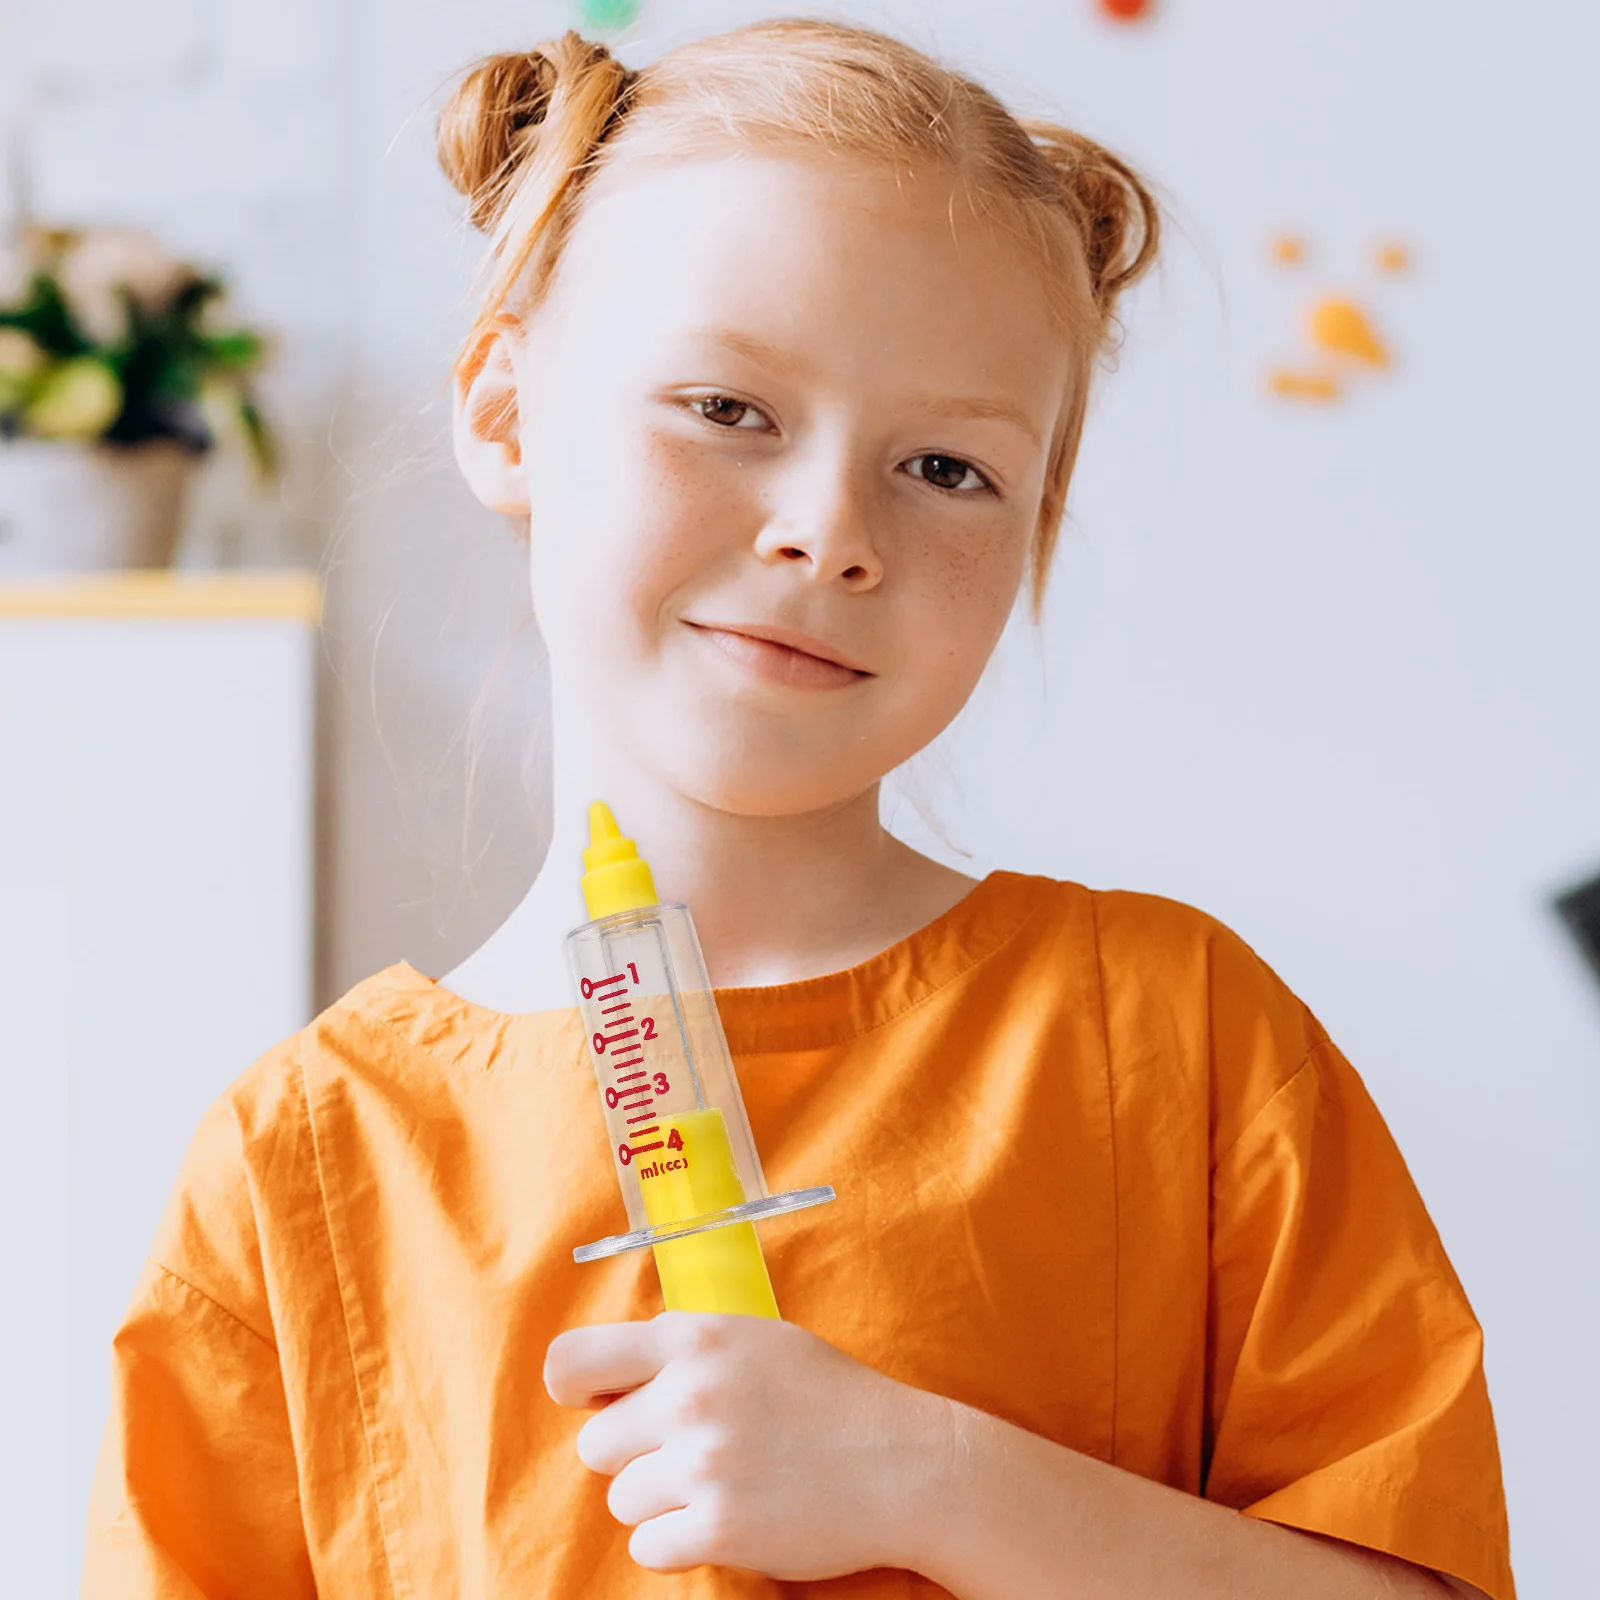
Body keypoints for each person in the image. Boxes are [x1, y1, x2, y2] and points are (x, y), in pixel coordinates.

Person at [81, 20, 1514, 1600]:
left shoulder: (1178, 1042)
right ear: (505, 414)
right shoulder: (306, 1161)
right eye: (727, 408)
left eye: (948, 469)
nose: (832, 533)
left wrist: (946, 1486)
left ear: (1036, 529)